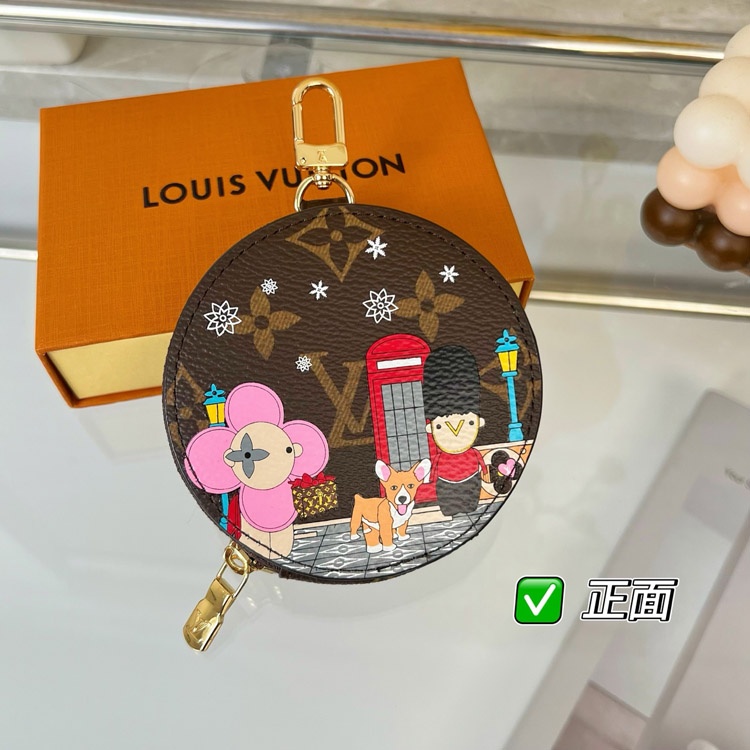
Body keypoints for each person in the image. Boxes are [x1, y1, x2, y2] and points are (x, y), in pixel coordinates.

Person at [423, 345, 489, 517]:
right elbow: (435, 470)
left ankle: (469, 505)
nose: (455, 432)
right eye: (440, 426)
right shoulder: (441, 457)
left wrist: (485, 472)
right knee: (449, 501)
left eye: (468, 423)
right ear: (431, 427)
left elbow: (480, 462)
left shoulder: (471, 453)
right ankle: (449, 508)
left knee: (469, 499)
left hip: (470, 476)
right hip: (445, 481)